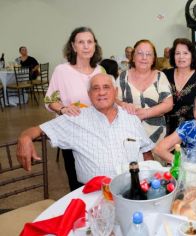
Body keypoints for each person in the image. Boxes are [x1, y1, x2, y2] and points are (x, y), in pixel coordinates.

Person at [17, 73, 154, 184]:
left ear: (115, 91)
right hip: (94, 195)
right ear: (89, 94)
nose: (101, 93)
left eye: (106, 87)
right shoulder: (76, 118)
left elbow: (146, 153)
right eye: (96, 88)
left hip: (132, 189)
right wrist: (24, 137)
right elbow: (37, 130)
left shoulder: (130, 117)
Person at [44, 26, 104, 191]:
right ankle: (79, 213)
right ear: (73, 46)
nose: (86, 46)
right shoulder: (62, 71)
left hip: (96, 132)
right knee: (77, 182)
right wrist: (62, 108)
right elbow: (50, 100)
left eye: (89, 42)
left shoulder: (100, 70)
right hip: (72, 132)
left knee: (98, 178)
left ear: (95, 45)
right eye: (81, 42)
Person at [116, 39, 173, 144]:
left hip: (156, 136)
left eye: (148, 54)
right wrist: (123, 104)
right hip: (128, 135)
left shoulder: (160, 76)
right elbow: (113, 100)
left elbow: (168, 104)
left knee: (155, 161)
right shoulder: (123, 76)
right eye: (140, 53)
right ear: (133, 57)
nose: (144, 58)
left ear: (153, 59)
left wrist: (146, 113)